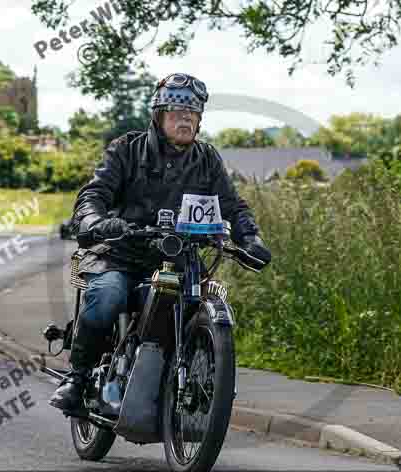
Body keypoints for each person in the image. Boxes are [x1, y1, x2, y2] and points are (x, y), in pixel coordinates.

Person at [49, 73, 271, 412]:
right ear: (158, 115)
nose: (185, 119)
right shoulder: (127, 149)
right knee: (108, 296)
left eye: (192, 114)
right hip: (122, 254)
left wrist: (250, 236)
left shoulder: (207, 159)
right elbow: (95, 193)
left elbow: (233, 205)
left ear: (199, 121)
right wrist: (96, 220)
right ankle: (77, 380)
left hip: (180, 261)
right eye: (176, 112)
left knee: (204, 302)